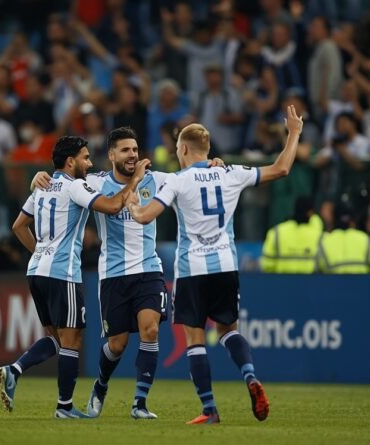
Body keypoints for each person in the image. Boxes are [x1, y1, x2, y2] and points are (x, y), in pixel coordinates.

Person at [127, 106, 305, 424]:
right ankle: (250, 376)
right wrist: (293, 133)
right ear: (208, 150)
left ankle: (209, 409)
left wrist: (132, 198)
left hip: (192, 269)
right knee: (228, 330)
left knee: (195, 339)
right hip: (226, 265)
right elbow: (280, 169)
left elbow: (142, 217)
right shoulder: (230, 172)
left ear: (182, 149)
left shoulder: (178, 181)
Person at [30, 128, 223, 419]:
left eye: (135, 149)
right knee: (117, 345)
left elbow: (191, 179)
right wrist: (38, 177)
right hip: (112, 276)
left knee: (150, 329)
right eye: (125, 150)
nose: (132, 155)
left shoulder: (156, 179)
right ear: (111, 155)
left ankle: (140, 403)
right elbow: (63, 178)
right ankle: (101, 384)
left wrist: (211, 165)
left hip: (148, 269)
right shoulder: (94, 181)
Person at [0, 136, 148, 419]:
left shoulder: (42, 185)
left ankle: (14, 370)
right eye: (86, 157)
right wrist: (135, 180)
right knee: (73, 338)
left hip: (37, 270)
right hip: (62, 273)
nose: (90, 163)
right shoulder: (74, 186)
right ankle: (64, 407)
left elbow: (18, 225)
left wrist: (41, 252)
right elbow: (114, 206)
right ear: (71, 161)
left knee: (55, 338)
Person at [317, 202, 370, 274]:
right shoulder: (364, 239)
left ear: (334, 220)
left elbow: (317, 271)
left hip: (334, 284)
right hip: (362, 284)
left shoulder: (325, 241)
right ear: (353, 221)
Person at [260, 196, 323, 273]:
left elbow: (267, 265)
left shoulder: (276, 232)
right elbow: (323, 264)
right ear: (310, 213)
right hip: (310, 283)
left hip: (281, 282)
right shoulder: (319, 235)